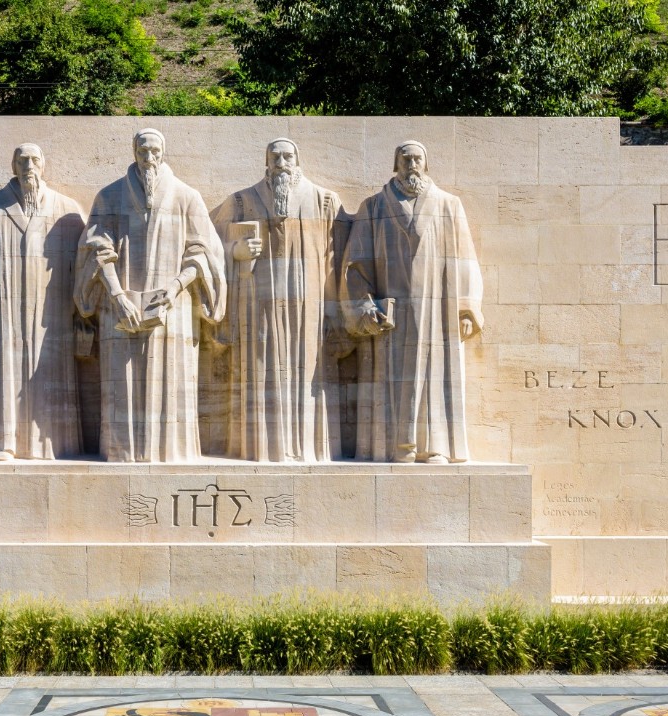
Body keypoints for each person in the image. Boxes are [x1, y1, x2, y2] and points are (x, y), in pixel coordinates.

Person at [74, 128, 227, 462]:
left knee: (171, 387)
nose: (149, 158)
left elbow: (204, 253)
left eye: (155, 151)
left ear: (164, 153)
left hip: (172, 310)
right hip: (121, 308)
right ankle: (123, 452)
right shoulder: (109, 197)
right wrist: (116, 296)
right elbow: (96, 250)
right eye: (143, 151)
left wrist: (174, 289)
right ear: (134, 153)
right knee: (122, 387)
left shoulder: (187, 197)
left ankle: (171, 453)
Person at [341, 141, 484, 464]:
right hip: (391, 313)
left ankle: (436, 447)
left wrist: (466, 307)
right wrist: (365, 306)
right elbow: (356, 265)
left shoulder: (448, 205)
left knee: (436, 376)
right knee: (392, 376)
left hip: (438, 311)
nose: (411, 165)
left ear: (426, 164)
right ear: (396, 165)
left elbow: (465, 260)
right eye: (405, 159)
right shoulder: (373, 207)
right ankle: (397, 447)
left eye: (417, 159)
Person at [0, 143, 84, 461]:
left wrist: (83, 311)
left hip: (51, 314)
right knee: (2, 372)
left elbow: (84, 265)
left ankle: (53, 443)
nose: (29, 166)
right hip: (2, 311)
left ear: (44, 165)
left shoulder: (67, 209)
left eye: (35, 160)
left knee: (48, 369)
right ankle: (2, 442)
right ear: (13, 166)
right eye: (22, 160)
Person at [212, 138, 345, 462]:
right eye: (276, 157)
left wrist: (336, 310)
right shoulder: (242, 200)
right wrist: (235, 252)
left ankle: (305, 449)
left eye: (288, 156)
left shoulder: (324, 201)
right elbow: (207, 241)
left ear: (297, 160)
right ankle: (263, 448)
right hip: (258, 306)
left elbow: (340, 259)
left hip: (308, 307)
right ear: (266, 163)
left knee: (308, 373)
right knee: (262, 370)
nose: (282, 162)